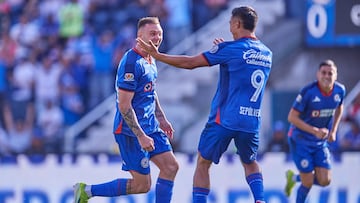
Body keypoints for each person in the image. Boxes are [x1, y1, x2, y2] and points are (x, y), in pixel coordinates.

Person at [138, 6, 271, 203]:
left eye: (230, 24)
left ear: (237, 23)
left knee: (203, 162)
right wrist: (223, 51)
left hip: (225, 119)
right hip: (251, 121)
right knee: (250, 161)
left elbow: (190, 63)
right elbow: (240, 64)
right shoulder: (266, 53)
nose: (230, 28)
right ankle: (259, 199)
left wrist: (158, 56)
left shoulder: (230, 49)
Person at [73, 17, 179, 203]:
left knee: (171, 167)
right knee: (142, 185)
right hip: (131, 132)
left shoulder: (150, 58)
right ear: (139, 37)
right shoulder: (131, 63)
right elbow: (124, 105)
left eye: (160, 34)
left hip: (151, 126)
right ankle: (86, 191)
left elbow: (150, 92)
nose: (157, 38)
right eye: (152, 34)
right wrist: (140, 135)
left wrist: (161, 118)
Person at [284, 60, 345, 202]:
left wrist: (334, 130)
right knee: (308, 182)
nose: (327, 76)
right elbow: (291, 117)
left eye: (330, 73)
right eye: (323, 73)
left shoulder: (339, 90)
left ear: (336, 76)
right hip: (300, 140)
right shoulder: (308, 92)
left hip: (319, 141)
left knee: (325, 180)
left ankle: (293, 178)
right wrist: (314, 131)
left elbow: (339, 107)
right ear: (318, 74)